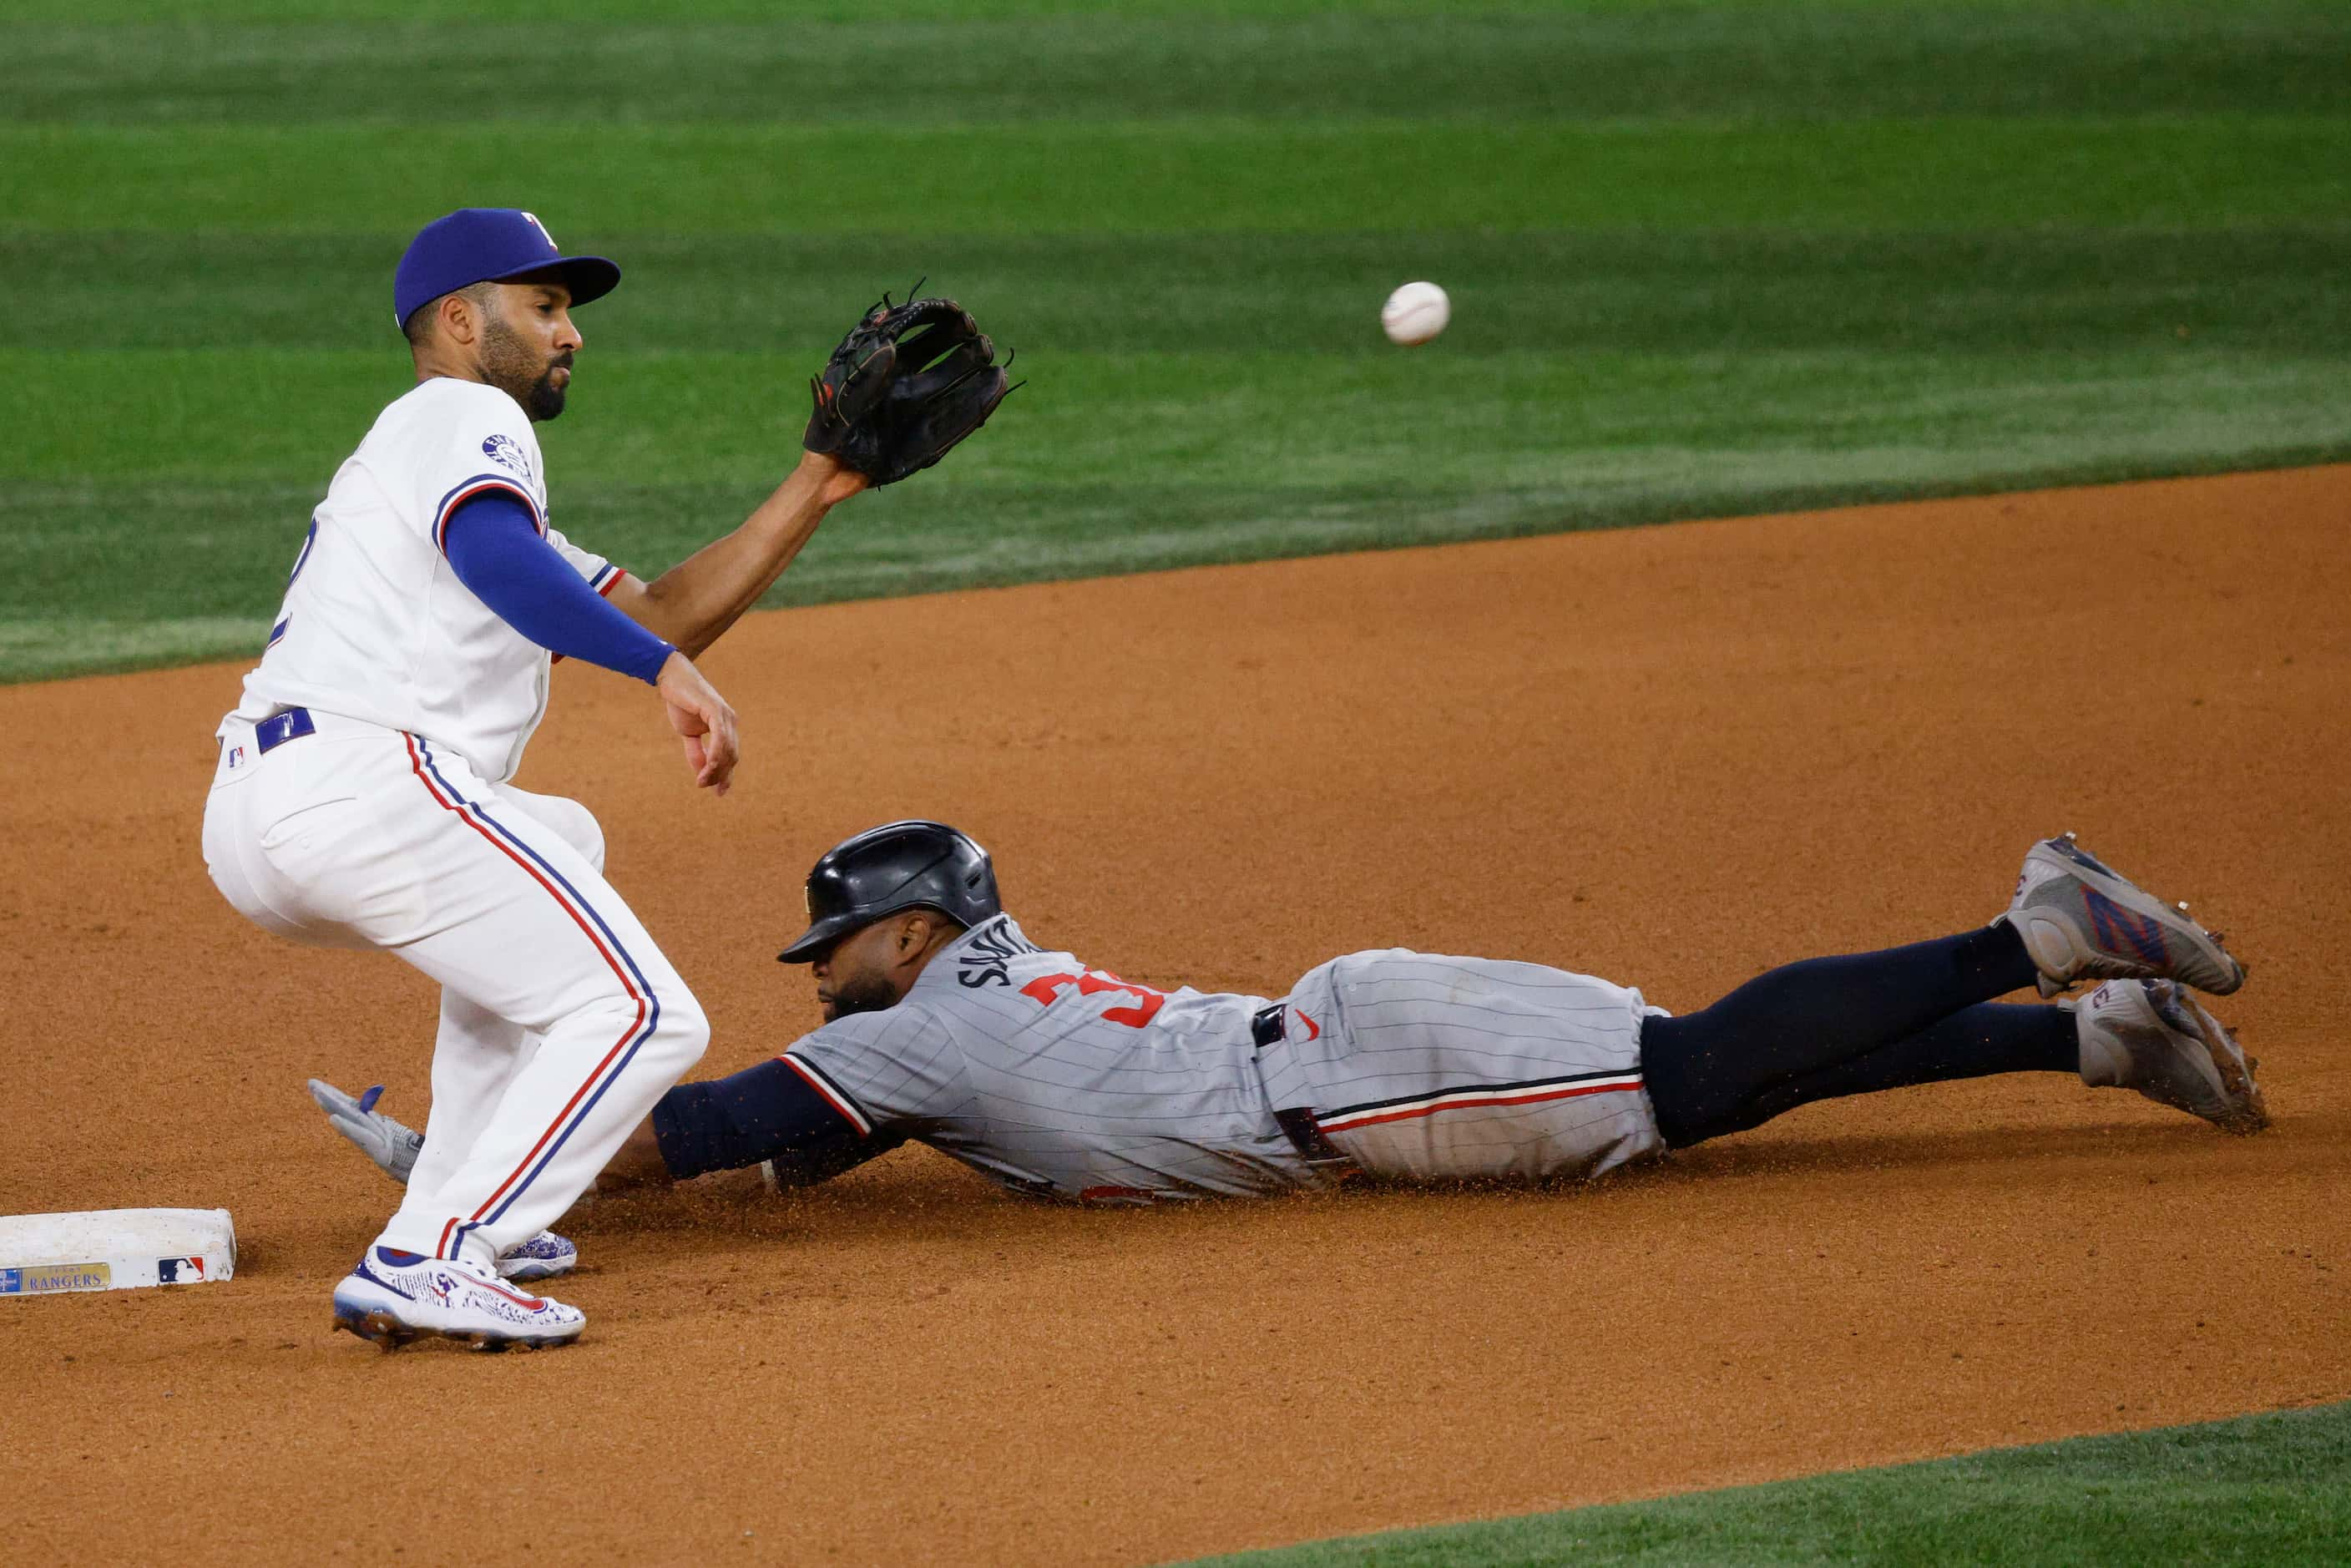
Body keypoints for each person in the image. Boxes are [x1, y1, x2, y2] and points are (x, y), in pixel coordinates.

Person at [314, 822, 2267, 1239]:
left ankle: (2031, 932)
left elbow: (699, 1126)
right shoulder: (965, 1011)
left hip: (1361, 1083)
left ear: (908, 932)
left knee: (1687, 1080)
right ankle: (2097, 1039)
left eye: (832, 943)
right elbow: (787, 1142)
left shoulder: (905, 1037)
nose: (817, 969)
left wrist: (476, 1165)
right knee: (1702, 1083)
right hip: (1351, 1041)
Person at [205, 207, 887, 1351]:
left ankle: (465, 1200)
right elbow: (504, 563)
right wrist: (662, 673)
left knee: (561, 834)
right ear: (461, 322)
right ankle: (438, 1251)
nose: (572, 335)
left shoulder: (434, 468)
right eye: (547, 307)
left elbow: (662, 609)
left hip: (280, 811)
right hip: (365, 780)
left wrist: (817, 483)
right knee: (644, 1013)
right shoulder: (460, 417)